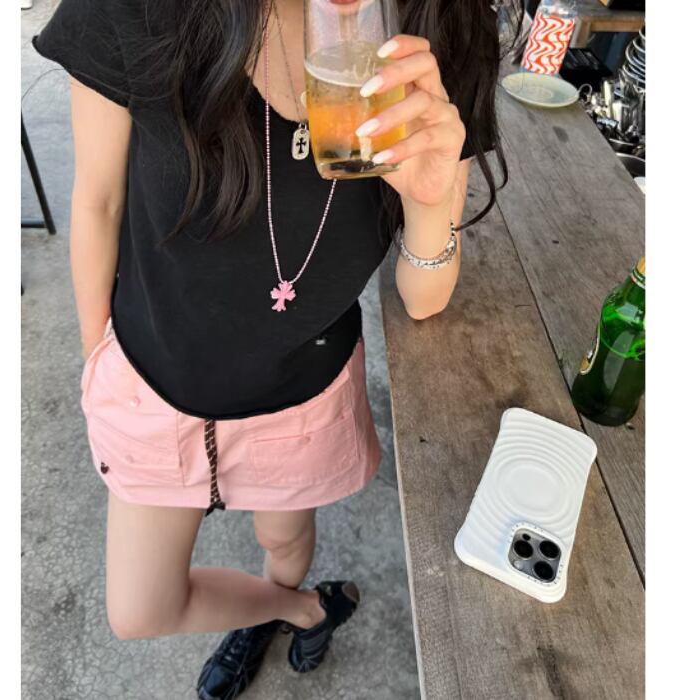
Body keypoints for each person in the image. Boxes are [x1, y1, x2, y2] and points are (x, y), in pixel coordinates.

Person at [31, 0, 523, 697]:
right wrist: (99, 364)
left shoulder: (445, 25)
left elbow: (424, 297)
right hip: (152, 376)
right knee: (141, 609)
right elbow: (98, 202)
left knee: (284, 544)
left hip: (302, 393)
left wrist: (429, 201)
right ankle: (298, 611)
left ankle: (287, 604)